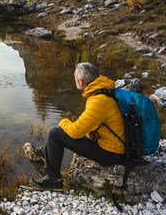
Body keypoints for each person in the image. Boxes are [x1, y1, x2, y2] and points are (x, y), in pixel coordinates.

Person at [28, 62, 126, 191]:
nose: (74, 80)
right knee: (64, 133)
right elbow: (91, 125)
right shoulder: (105, 90)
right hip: (111, 144)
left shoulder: (99, 101)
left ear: (80, 82)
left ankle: (53, 180)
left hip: (111, 153)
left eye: (74, 78)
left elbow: (75, 132)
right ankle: (48, 152)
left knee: (55, 134)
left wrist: (63, 122)